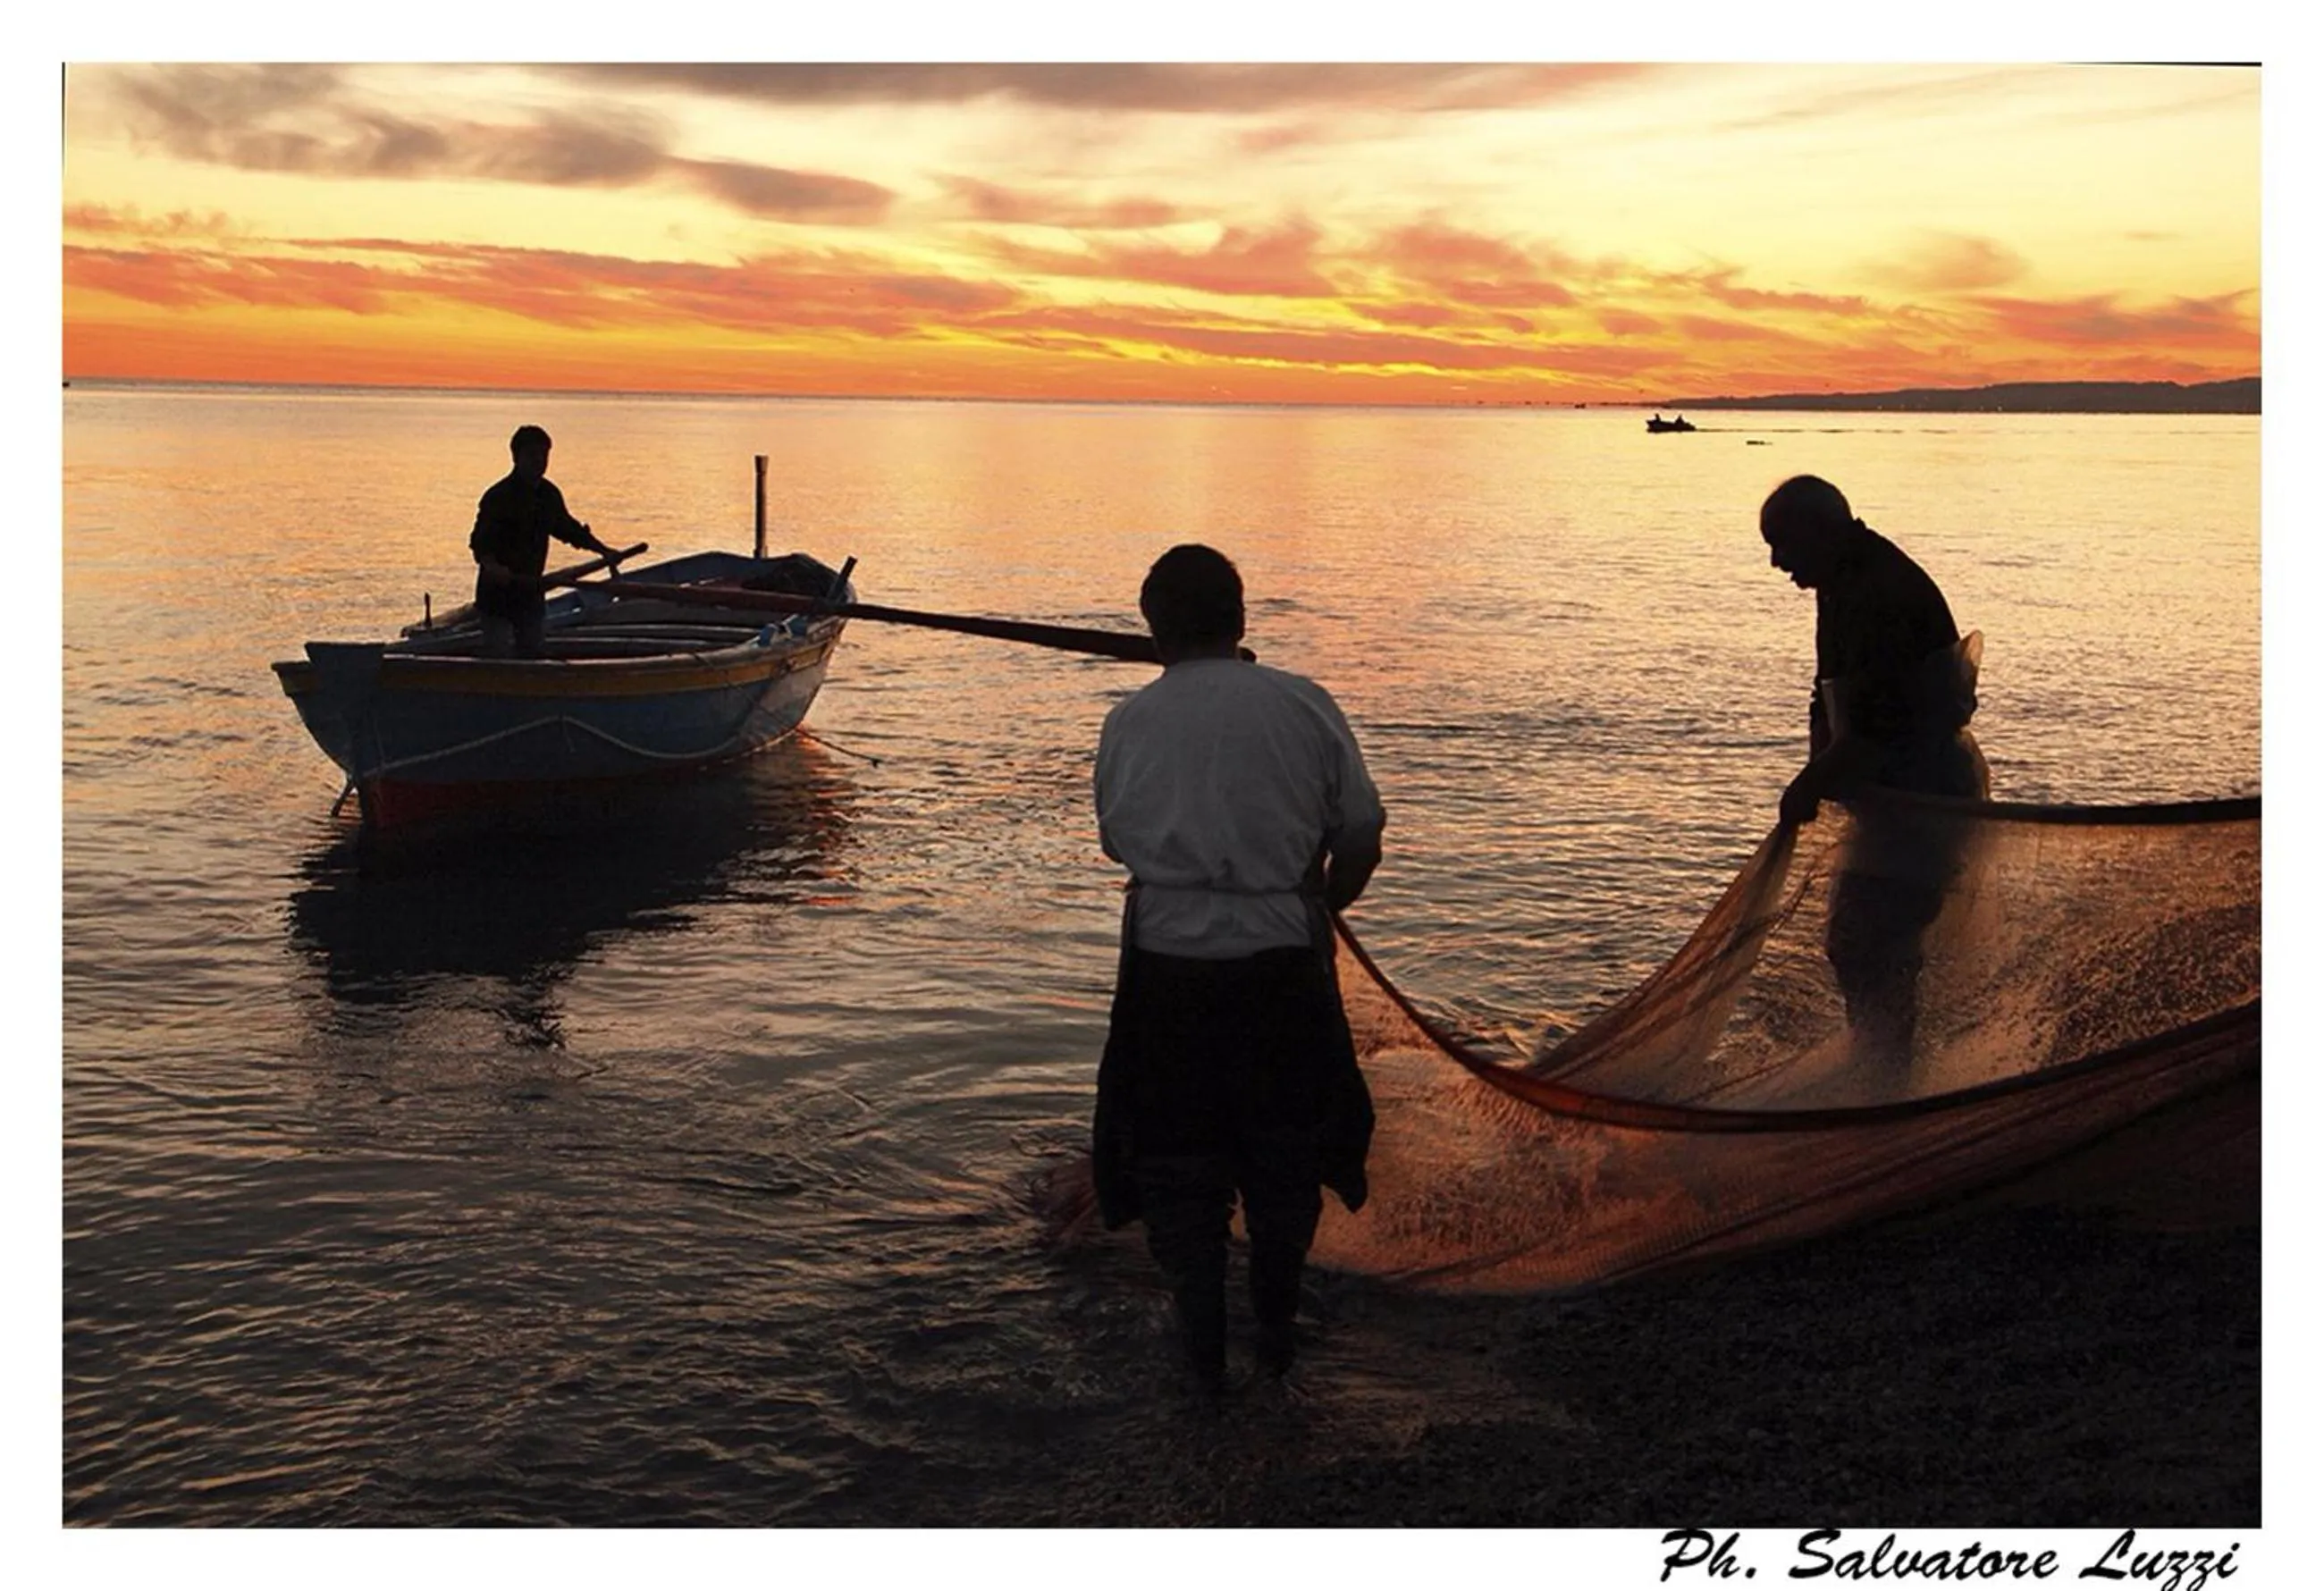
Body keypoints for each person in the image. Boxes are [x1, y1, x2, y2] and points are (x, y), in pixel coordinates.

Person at [1090, 544, 1385, 1393]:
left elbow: (1118, 843)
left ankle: (1202, 1354)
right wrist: (1326, 905)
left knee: (1179, 1166)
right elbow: (1360, 833)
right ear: (1242, 620)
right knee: (1284, 1155)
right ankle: (1277, 1337)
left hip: (1166, 969)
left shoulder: (1129, 722)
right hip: (1282, 964)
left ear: (1154, 628)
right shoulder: (1304, 704)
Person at [1759, 474, 1989, 1062]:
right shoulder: (1840, 580)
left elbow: (1878, 728)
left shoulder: (1878, 592)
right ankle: (1885, 1060)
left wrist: (1810, 784)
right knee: (1866, 942)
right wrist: (1819, 763)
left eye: (1782, 543)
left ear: (1822, 530)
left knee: (1870, 939)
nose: (1776, 561)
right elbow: (1830, 692)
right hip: (1894, 797)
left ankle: (1887, 1071)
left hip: (1926, 797)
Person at [469, 425, 622, 658]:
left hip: (531, 593)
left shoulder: (548, 495)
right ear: (516, 457)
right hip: (497, 595)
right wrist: (493, 567)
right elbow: (481, 542)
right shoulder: (498, 497)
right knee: (498, 656)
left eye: (544, 455)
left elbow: (569, 530)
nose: (539, 461)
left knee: (533, 653)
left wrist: (603, 550)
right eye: (532, 455)